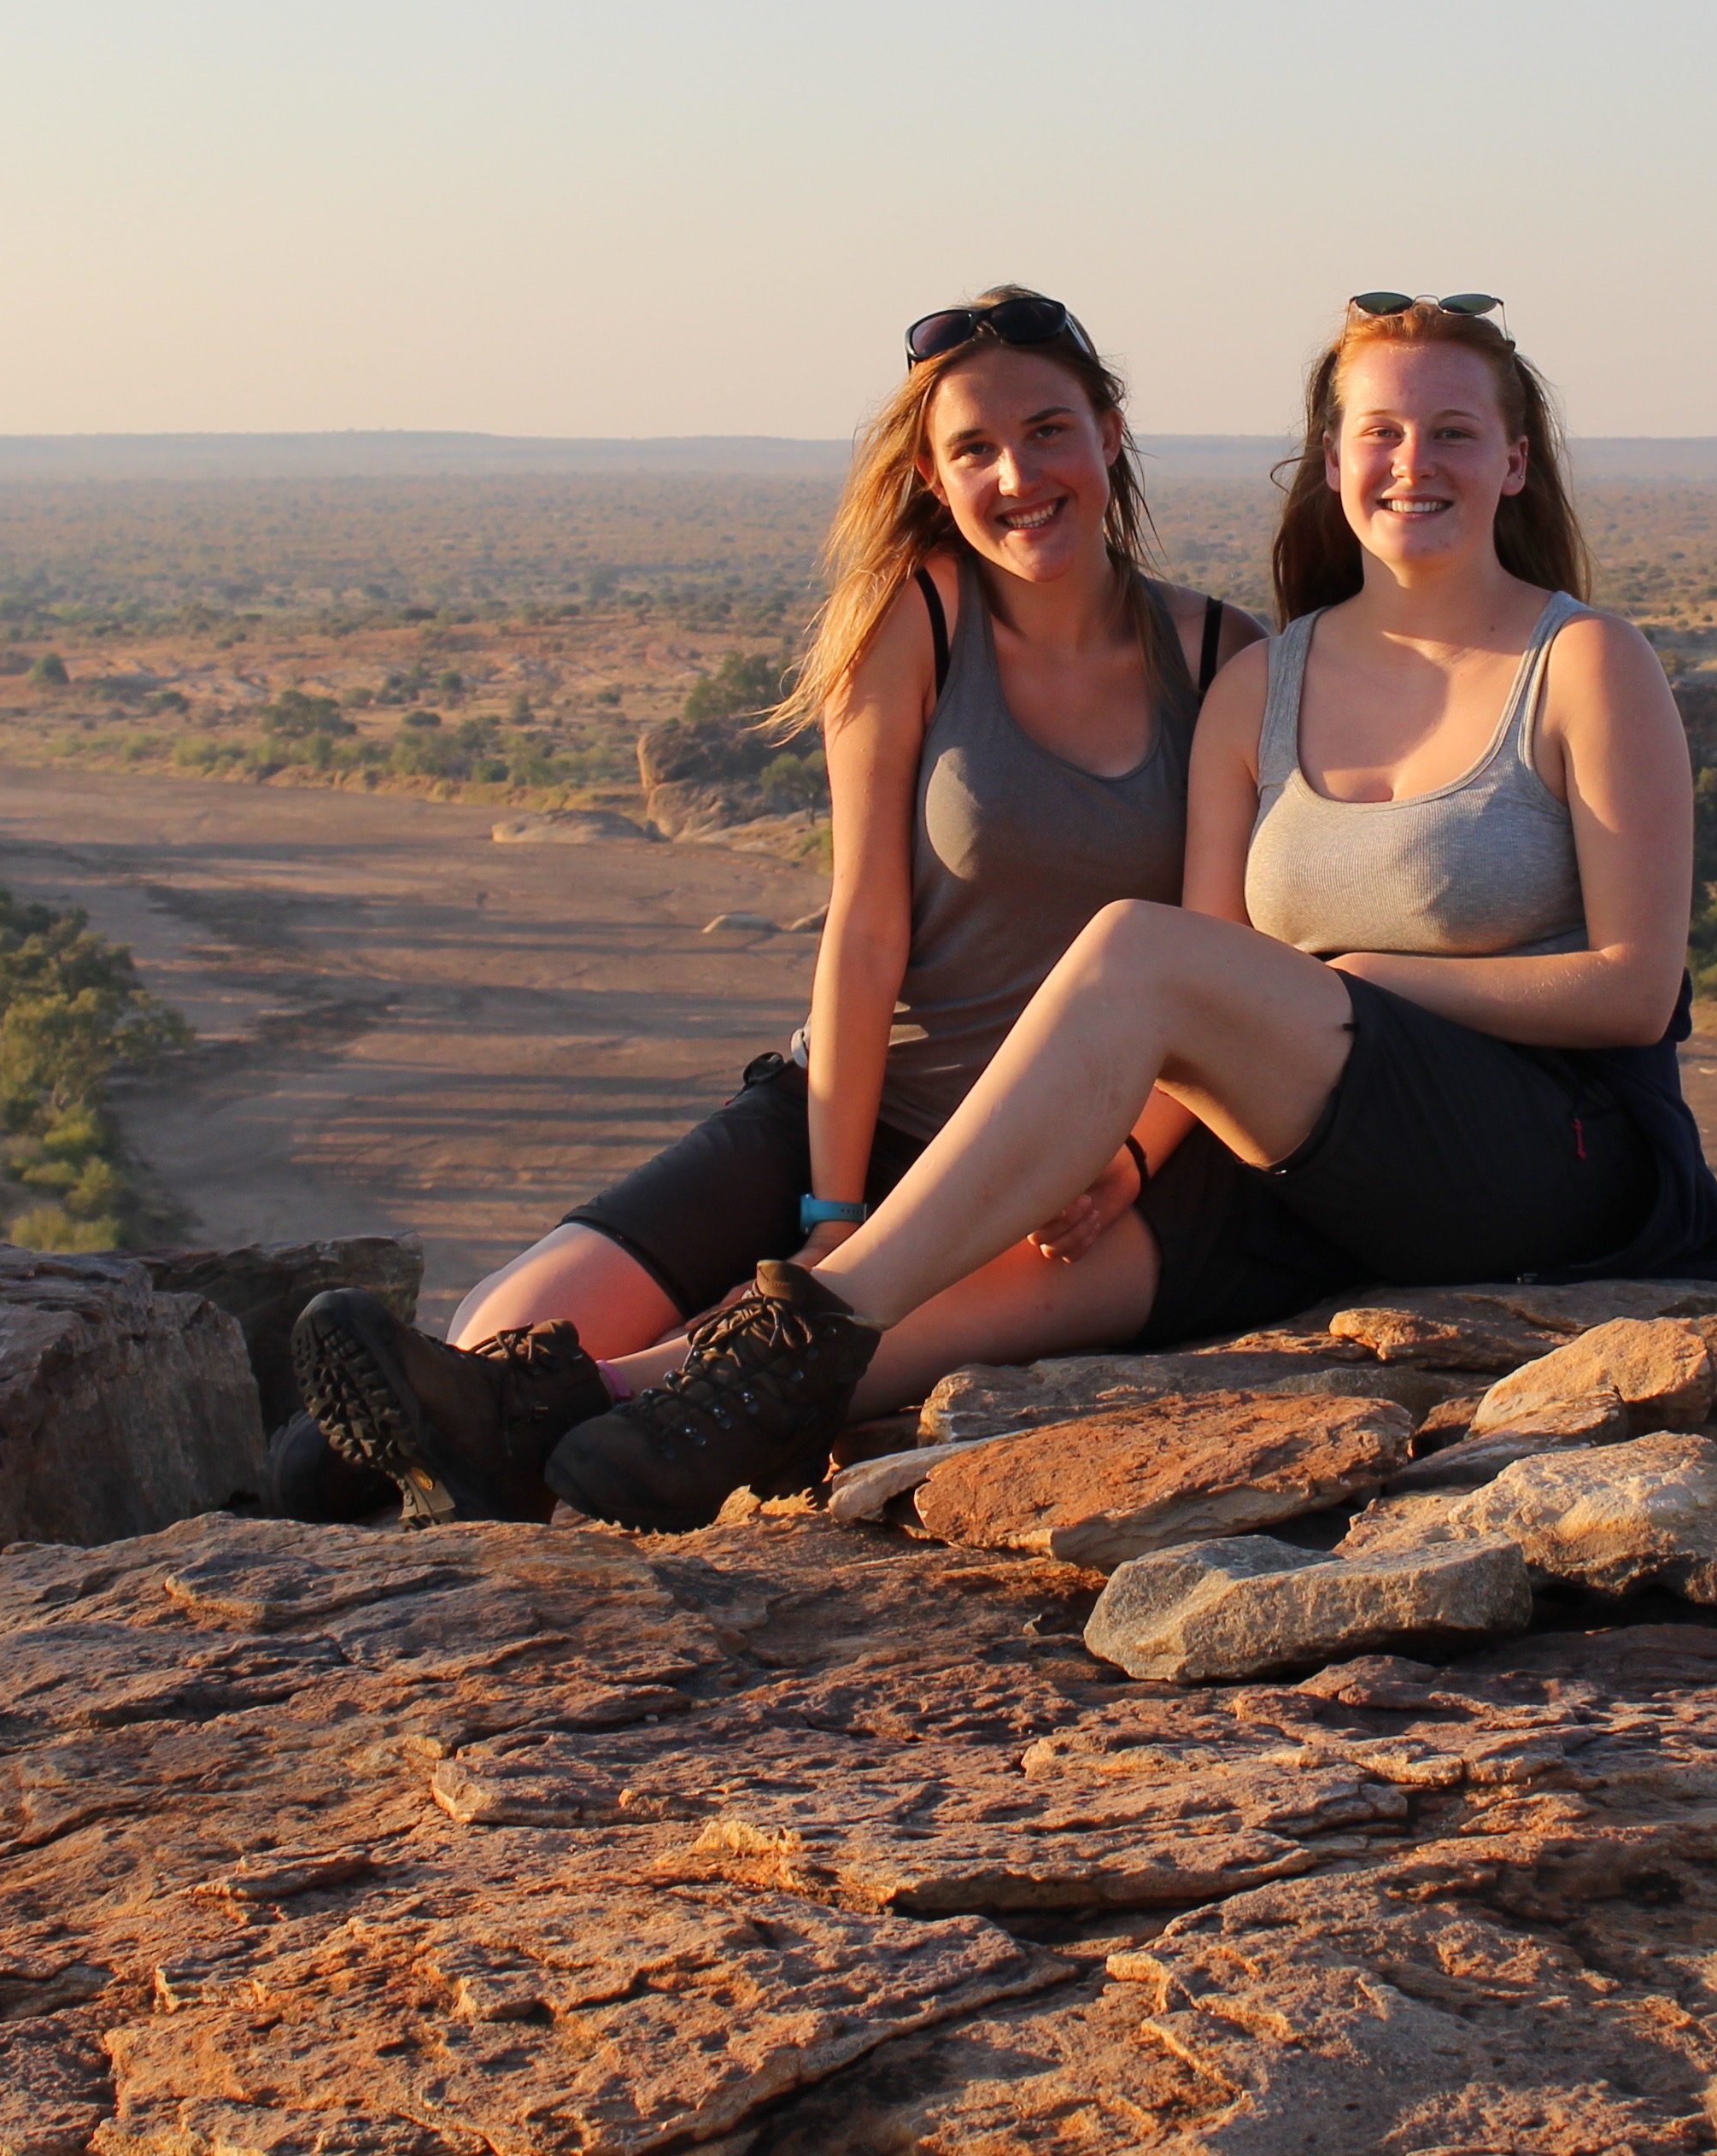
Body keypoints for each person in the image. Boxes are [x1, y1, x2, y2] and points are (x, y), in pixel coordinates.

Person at [540, 291, 1717, 1534]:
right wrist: (1122, 1161)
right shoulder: (1260, 684)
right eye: (1380, 433)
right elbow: (1214, 998)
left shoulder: (1586, 662)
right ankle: (603, 1401)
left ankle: (816, 1314)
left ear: (1513, 460)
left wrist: (1363, 977)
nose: (1413, 464)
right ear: (1331, 461)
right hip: (1310, 1164)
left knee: (1132, 944)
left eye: (1452, 432)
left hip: (1556, 1162)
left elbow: (1633, 989)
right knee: (1038, 1274)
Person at [290, 286, 1251, 1522]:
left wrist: (1122, 1163)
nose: (1019, 473)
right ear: (931, 472)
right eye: (975, 449)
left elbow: (1221, 958)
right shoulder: (917, 618)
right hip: (862, 1106)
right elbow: (863, 930)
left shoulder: (1227, 659)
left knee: (732, 1359)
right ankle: (431, 1427)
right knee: (506, 1322)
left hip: (1068, 1158)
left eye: (1050, 431)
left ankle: (428, 1451)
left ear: (1110, 433)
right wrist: (834, 1208)